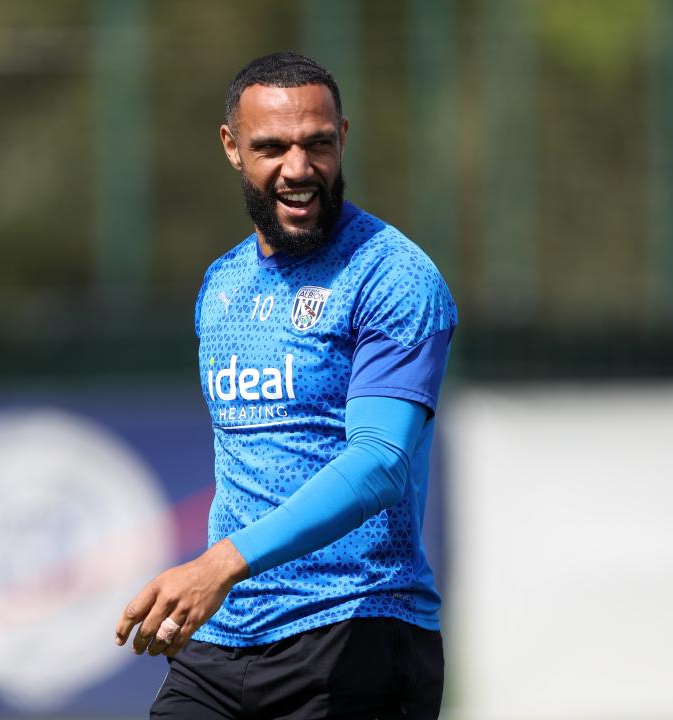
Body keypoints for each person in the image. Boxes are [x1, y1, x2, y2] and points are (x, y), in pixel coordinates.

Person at [115, 51, 457, 720]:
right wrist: (221, 580)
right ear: (232, 148)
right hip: (224, 640)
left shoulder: (393, 277)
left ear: (343, 138)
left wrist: (218, 565)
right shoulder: (223, 283)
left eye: (317, 144)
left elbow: (380, 462)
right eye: (272, 147)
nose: (298, 169)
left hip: (356, 628)